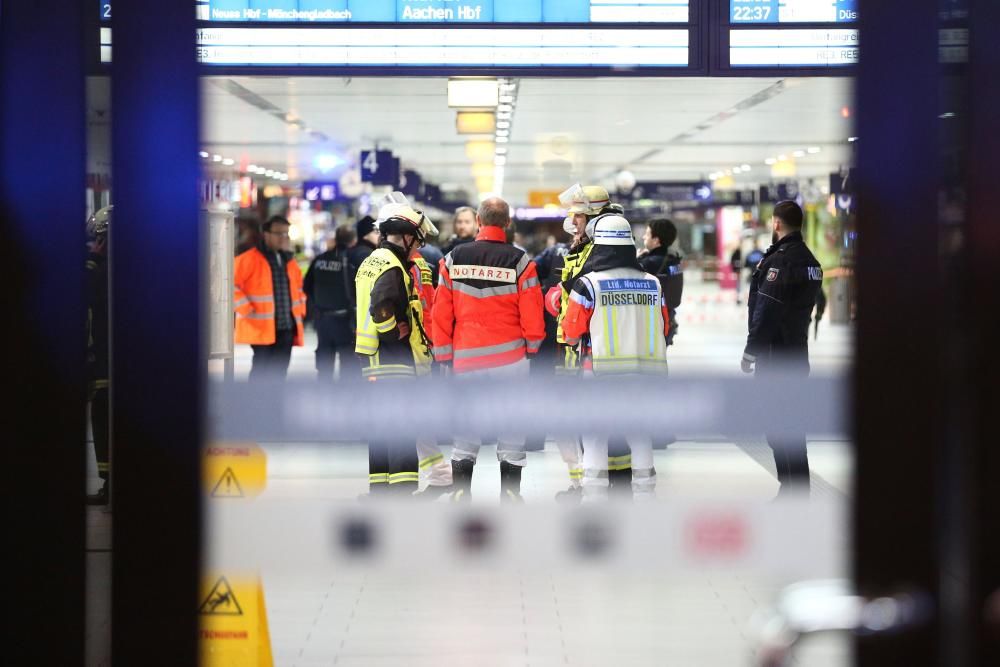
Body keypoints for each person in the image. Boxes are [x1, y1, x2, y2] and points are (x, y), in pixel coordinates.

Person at [432, 197, 545, 503]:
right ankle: (509, 493)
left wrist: (443, 354)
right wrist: (531, 348)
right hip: (511, 360)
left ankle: (459, 492)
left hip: (466, 360)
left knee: (466, 430)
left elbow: (440, 312)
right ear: (507, 224)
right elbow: (533, 314)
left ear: (479, 222)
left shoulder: (453, 259)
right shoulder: (521, 262)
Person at [562, 213, 671, 501]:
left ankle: (595, 495)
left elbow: (571, 333)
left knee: (596, 435)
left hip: (601, 375)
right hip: (647, 376)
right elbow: (665, 326)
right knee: (640, 434)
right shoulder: (653, 284)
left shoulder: (588, 284)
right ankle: (646, 495)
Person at [545, 184, 632, 502]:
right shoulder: (584, 250)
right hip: (574, 350)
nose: (573, 221)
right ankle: (590, 484)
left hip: (592, 352)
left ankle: (608, 487)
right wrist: (556, 296)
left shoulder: (599, 253)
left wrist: (558, 297)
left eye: (579, 215)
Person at [354, 193, 439, 497]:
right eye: (415, 239)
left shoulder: (372, 260)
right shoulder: (392, 265)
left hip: (371, 358)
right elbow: (381, 307)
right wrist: (394, 332)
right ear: (403, 237)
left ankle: (380, 493)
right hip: (392, 359)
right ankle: (402, 494)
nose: (417, 245)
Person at [740, 200, 823, 498]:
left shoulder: (781, 261)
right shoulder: (811, 260)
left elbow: (768, 310)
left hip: (776, 356)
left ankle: (794, 489)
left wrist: (752, 351)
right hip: (797, 353)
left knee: (780, 428)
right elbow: (818, 301)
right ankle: (793, 487)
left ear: (776, 223)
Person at [233, 216, 307, 382]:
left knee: (280, 373)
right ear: (266, 234)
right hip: (261, 328)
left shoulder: (289, 260)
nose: (283, 238)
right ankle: (256, 406)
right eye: (279, 233)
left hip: (286, 327)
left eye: (286, 234)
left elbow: (299, 288)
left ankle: (276, 405)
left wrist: (300, 311)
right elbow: (229, 284)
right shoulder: (248, 259)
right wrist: (245, 308)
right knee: (261, 372)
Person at [303, 225, 359, 382]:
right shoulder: (350, 261)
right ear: (353, 241)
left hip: (323, 319)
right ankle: (344, 400)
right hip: (345, 320)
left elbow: (307, 287)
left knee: (324, 365)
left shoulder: (319, 260)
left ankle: (324, 396)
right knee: (348, 364)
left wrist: (317, 305)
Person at [85, 206, 113, 505]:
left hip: (106, 357)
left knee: (103, 417)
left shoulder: (100, 268)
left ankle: (110, 482)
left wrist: (93, 259)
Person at [638, 218, 684, 347]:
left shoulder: (650, 263)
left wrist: (638, 259)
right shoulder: (674, 260)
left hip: (651, 325)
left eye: (647, 234)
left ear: (656, 240)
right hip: (669, 320)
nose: (643, 237)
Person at [347, 215, 379, 285]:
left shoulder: (356, 250)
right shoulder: (366, 254)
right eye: (376, 232)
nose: (380, 235)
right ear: (365, 236)